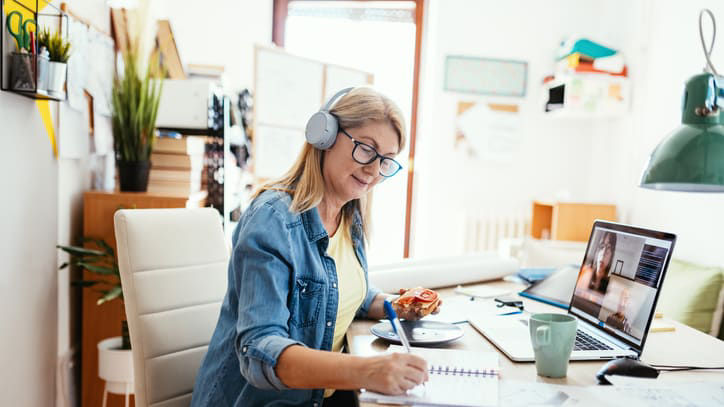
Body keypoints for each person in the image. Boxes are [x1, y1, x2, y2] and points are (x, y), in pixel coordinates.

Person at [191, 87, 441, 407]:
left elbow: (346, 295)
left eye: (386, 161)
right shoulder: (273, 220)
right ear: (324, 135)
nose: (374, 171)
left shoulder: (349, 214)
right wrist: (368, 370)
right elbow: (260, 351)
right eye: (366, 149)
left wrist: (399, 304)